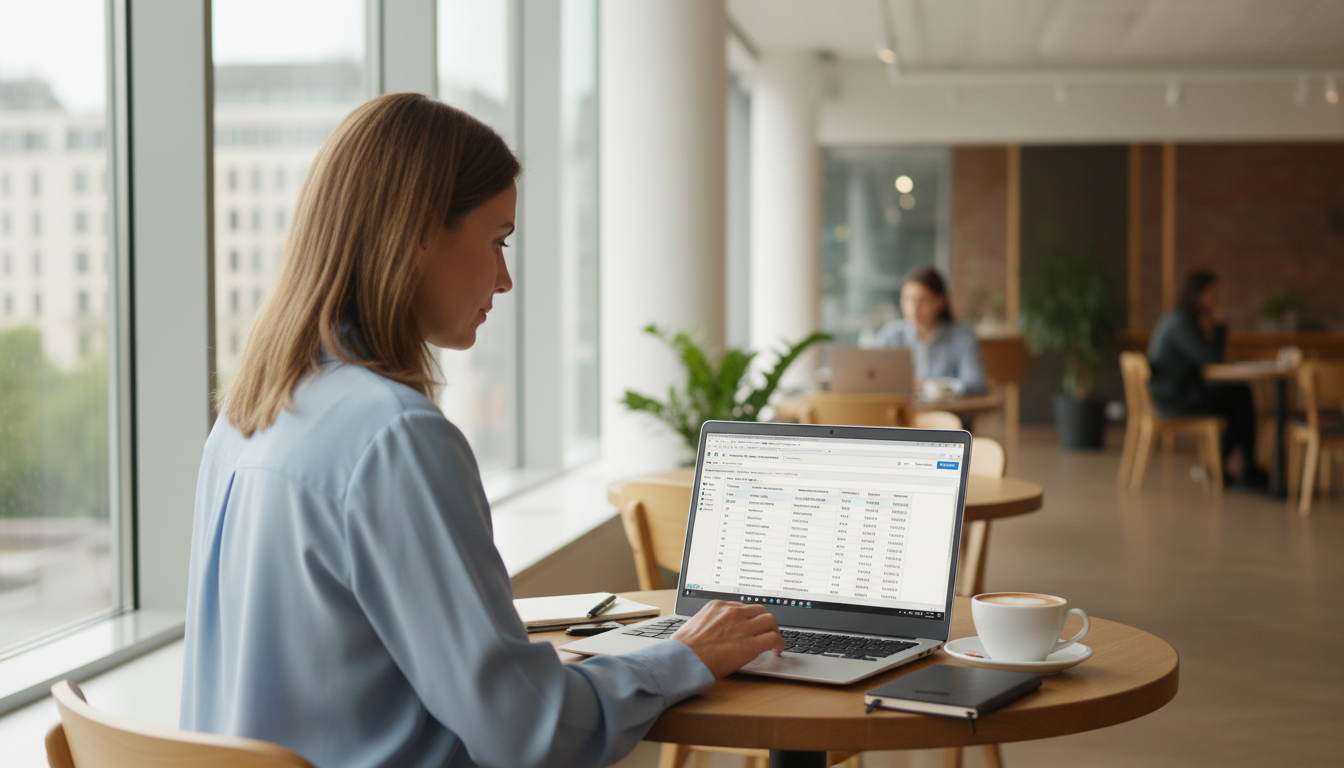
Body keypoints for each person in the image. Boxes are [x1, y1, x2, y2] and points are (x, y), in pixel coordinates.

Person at [180, 93, 784, 768]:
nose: (505, 279)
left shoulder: (244, 418)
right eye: (498, 241)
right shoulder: (394, 436)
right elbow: (526, 731)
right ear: (417, 232)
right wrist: (682, 657)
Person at [1147, 269, 1266, 488]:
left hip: (1172, 393)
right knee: (1240, 398)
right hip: (1174, 398)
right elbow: (1212, 358)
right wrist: (1220, 325)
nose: (1215, 300)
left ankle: (1221, 466)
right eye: (1211, 294)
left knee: (1238, 399)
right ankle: (1242, 469)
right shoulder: (1182, 322)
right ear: (1196, 294)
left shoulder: (1180, 318)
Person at [873, 266, 987, 397]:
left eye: (923, 301)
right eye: (907, 299)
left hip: (946, 409)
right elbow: (875, 382)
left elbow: (976, 384)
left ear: (941, 301)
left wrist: (929, 386)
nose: (913, 308)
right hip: (901, 409)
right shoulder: (889, 336)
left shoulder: (962, 337)